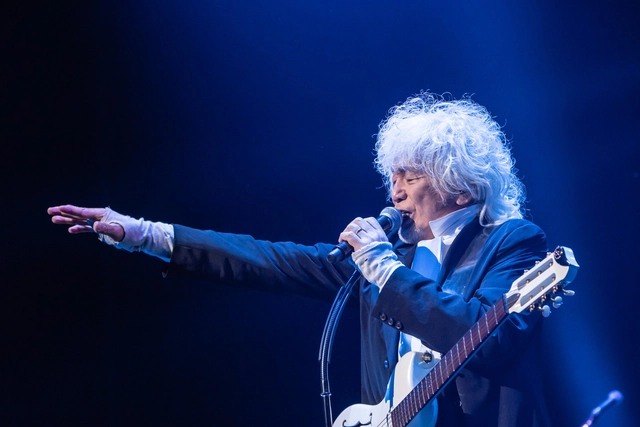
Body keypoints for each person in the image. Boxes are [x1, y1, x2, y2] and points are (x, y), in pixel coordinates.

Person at [48, 92, 551, 427]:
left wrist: (384, 269)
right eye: (392, 176)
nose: (395, 193)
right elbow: (271, 260)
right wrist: (146, 234)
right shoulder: (390, 254)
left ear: (460, 187)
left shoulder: (512, 241)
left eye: (411, 177)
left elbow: (488, 336)